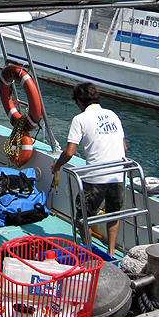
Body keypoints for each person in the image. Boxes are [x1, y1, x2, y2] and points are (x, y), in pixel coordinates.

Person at [51, 82, 127, 256]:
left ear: (79, 101)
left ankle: (90, 252)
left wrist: (57, 166)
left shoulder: (80, 119)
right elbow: (124, 147)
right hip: (118, 174)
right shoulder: (112, 115)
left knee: (83, 216)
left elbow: (70, 152)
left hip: (96, 177)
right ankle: (112, 251)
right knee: (113, 214)